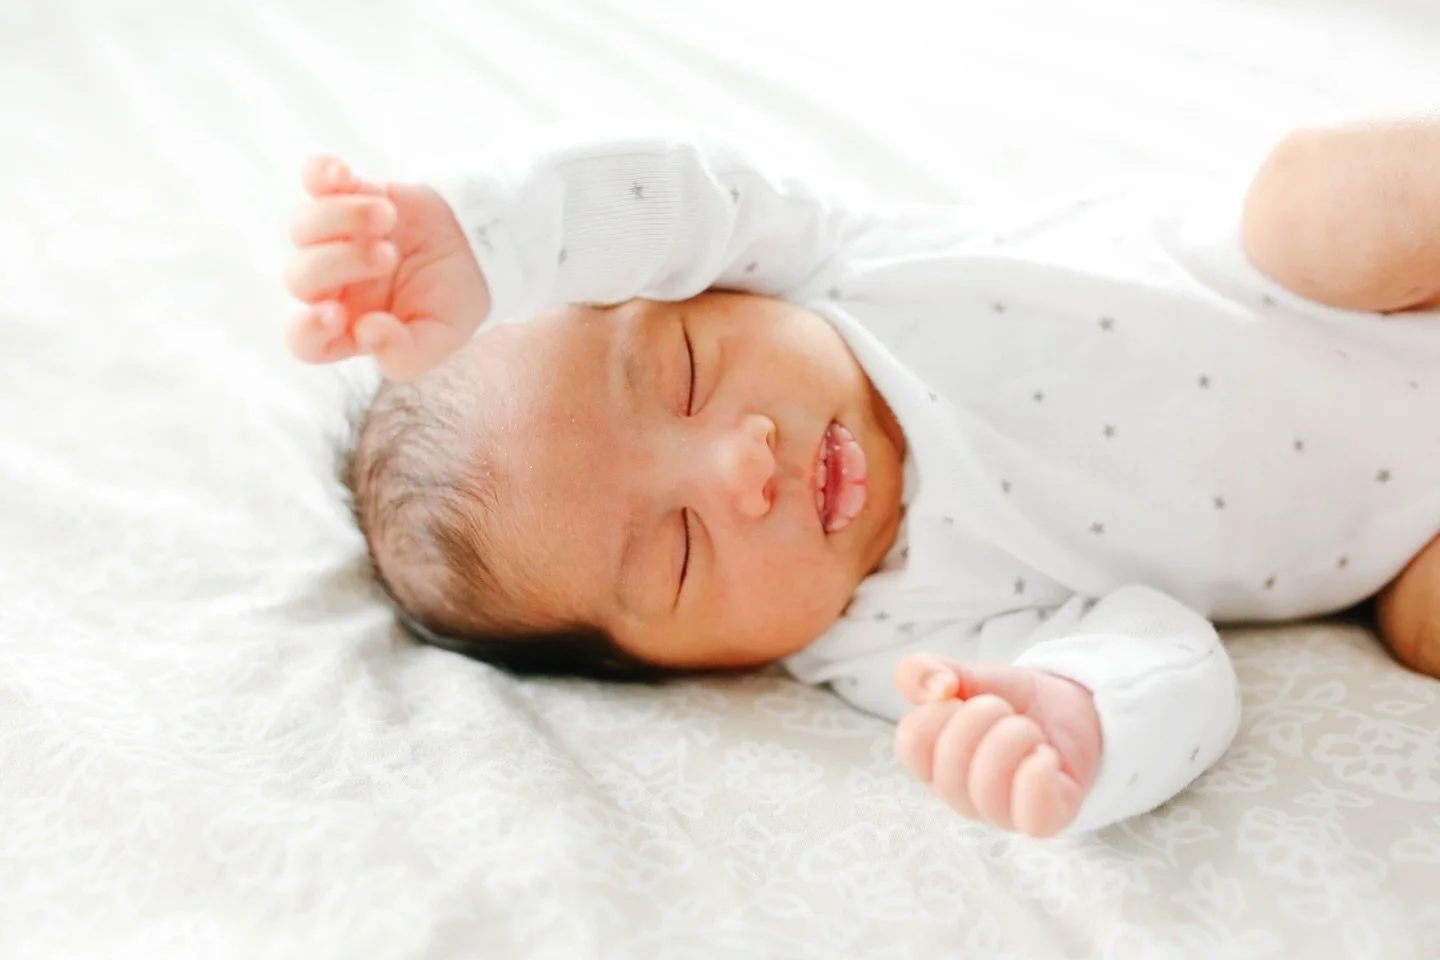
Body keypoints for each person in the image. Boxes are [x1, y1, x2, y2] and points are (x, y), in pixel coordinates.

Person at [281, 117, 1440, 837]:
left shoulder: (829, 268)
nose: (743, 465)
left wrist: (492, 241)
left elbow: (677, 192)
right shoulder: (890, 647)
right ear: (690, 670)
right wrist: (1081, 719)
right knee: (1426, 627)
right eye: (682, 553)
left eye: (687, 370)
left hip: (1320, 284)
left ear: (709, 289)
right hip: (1402, 529)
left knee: (1314, 198)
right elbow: (1166, 651)